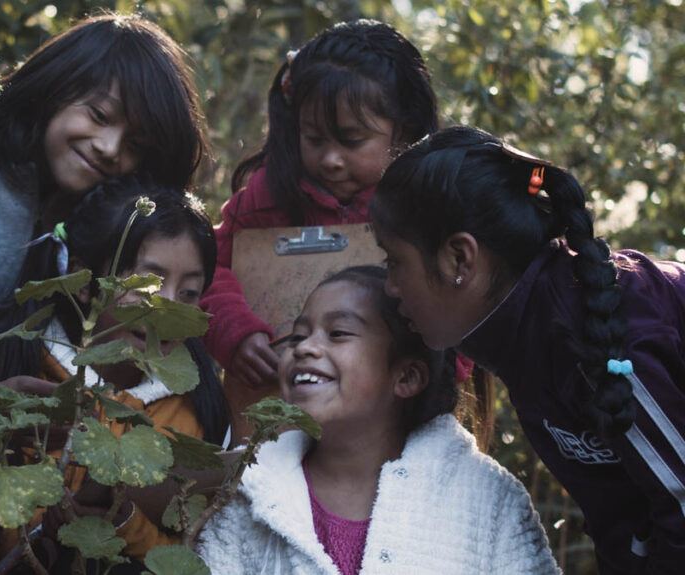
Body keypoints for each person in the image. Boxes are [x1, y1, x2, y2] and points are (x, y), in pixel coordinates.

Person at [370, 125, 685, 573]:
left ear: (460, 259)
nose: (391, 287)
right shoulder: (526, 337)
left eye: (394, 261)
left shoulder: (606, 337)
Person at [198, 266, 559, 574]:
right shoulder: (254, 489)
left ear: (406, 378)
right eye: (298, 334)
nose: (304, 347)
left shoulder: (487, 497)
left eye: (337, 333)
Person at [0, 13, 208, 385]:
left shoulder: (89, 229)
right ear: (55, 88)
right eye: (99, 115)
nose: (109, 148)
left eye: (135, 144)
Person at [198, 19, 439, 439]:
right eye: (313, 138)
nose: (330, 159)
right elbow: (203, 273)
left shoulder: (425, 209)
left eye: (351, 140)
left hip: (396, 431)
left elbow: (456, 308)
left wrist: (439, 385)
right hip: (272, 428)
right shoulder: (268, 195)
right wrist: (234, 334)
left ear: (404, 131)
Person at [0, 176, 229, 571]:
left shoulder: (192, 412)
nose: (168, 307)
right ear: (84, 283)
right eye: (147, 284)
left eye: (188, 293)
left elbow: (186, 546)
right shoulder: (25, 382)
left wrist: (124, 524)